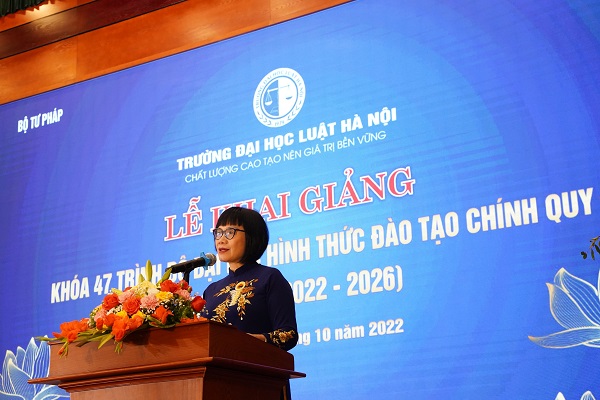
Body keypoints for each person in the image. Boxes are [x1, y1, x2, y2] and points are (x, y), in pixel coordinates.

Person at [202, 206, 299, 351]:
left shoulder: (269, 278)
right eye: (219, 232)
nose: (221, 239)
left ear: (251, 237)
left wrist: (247, 341)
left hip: (254, 363)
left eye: (230, 232)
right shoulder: (211, 290)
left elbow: (289, 334)